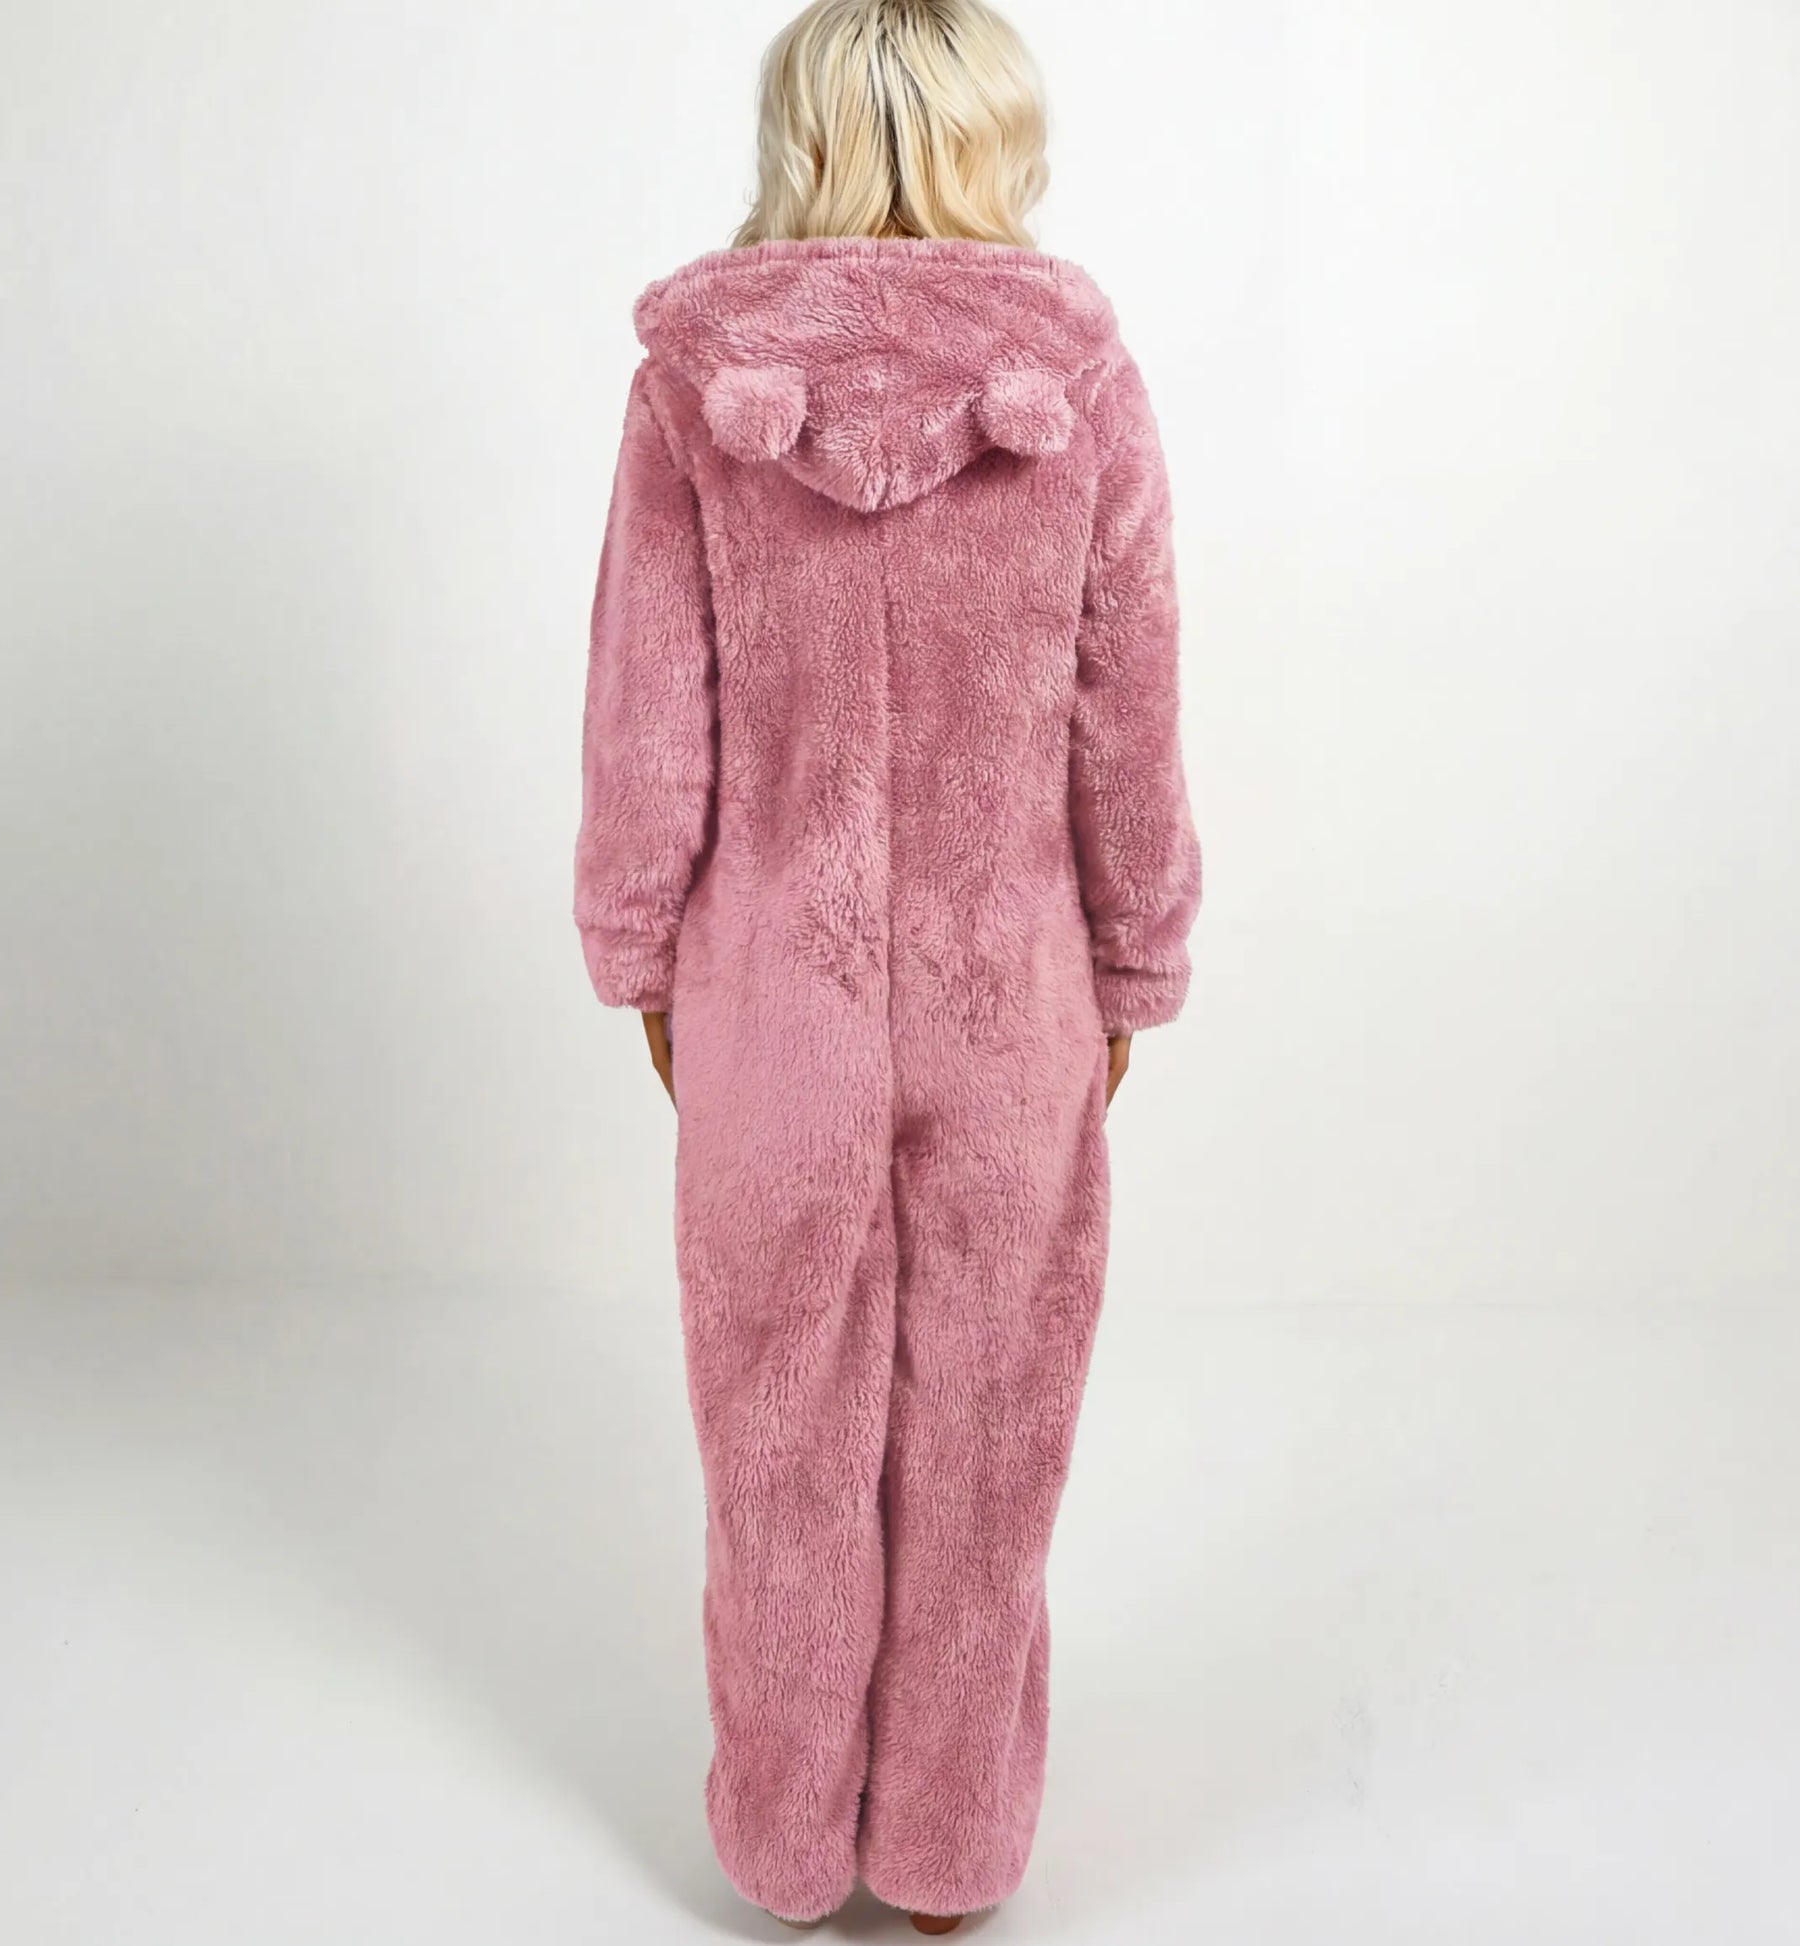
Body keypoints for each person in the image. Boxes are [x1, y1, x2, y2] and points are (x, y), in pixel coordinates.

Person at [573, 0, 1201, 1931]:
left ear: (799, 135)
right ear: (995, 135)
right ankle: (943, 1852)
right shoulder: (1077, 381)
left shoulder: (694, 389)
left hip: (771, 991)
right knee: (992, 1429)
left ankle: (782, 1845)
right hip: (1010, 993)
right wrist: (1131, 960)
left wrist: (641, 950)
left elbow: (647, 707)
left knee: (774, 1425)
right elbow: (1125, 707)